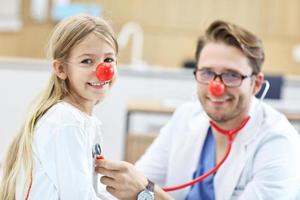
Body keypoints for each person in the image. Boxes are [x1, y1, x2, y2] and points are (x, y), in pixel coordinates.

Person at [95, 20, 300, 200]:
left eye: (231, 75)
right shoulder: (185, 118)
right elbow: (138, 181)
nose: (216, 87)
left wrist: (146, 194)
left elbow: (141, 189)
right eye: (207, 72)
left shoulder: (279, 142)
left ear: (256, 84)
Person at [0, 14, 118, 200]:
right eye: (87, 61)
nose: (103, 71)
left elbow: (92, 192)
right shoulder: (66, 121)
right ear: (61, 69)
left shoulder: (83, 120)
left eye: (109, 60)